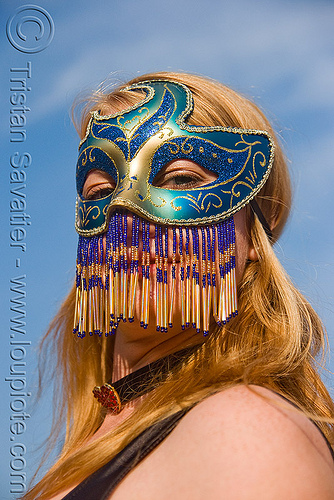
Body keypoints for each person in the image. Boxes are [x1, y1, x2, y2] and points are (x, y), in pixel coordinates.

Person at [25, 72, 334, 500]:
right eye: (101, 188)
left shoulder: (245, 427)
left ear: (253, 238)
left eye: (181, 180)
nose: (127, 213)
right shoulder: (88, 445)